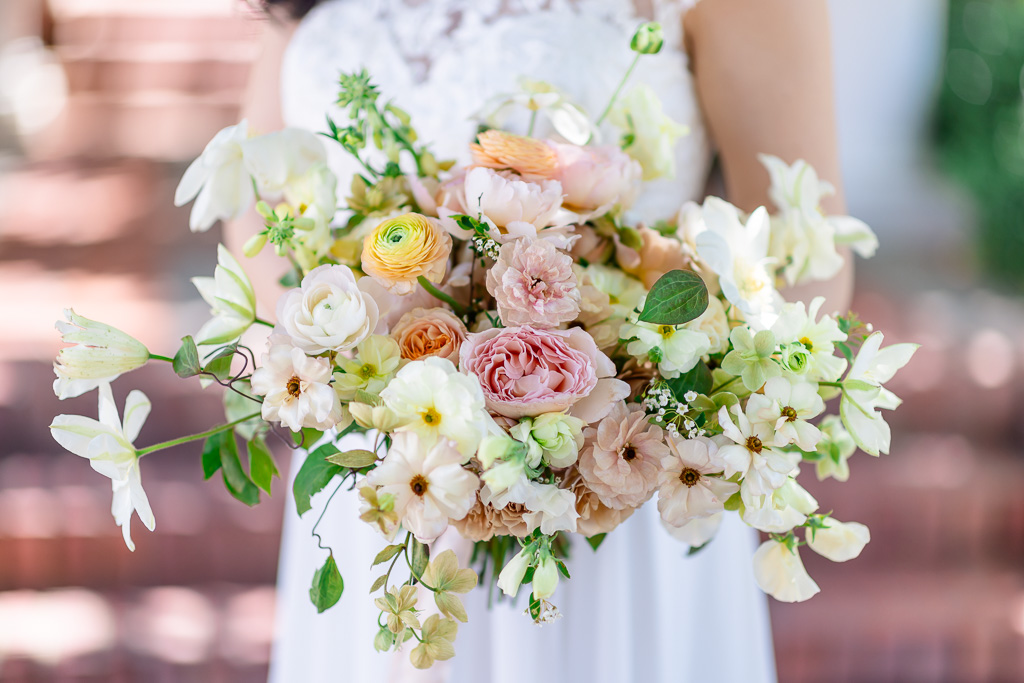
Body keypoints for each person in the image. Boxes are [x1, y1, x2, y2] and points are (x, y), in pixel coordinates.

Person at [227, 1, 853, 681]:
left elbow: (804, 260)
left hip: (616, 480)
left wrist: (578, 401)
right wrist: (355, 370)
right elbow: (254, 209)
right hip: (387, 485)